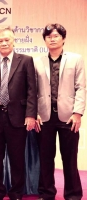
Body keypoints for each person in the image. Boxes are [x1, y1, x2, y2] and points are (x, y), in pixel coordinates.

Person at [0, 26, 37, 200]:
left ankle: (16, 192)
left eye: (7, 40)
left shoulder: (26, 61)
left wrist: (31, 115)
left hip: (18, 118)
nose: (4, 43)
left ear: (13, 41)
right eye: (0, 41)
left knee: (17, 159)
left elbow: (32, 90)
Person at [34, 23, 85, 200]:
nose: (52, 39)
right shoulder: (37, 62)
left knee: (69, 159)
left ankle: (73, 194)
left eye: (56, 36)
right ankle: (47, 193)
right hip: (44, 116)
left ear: (63, 39)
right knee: (45, 158)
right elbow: (32, 91)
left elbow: (81, 87)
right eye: (49, 36)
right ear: (45, 40)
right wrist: (35, 113)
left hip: (68, 116)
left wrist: (78, 113)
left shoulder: (76, 59)